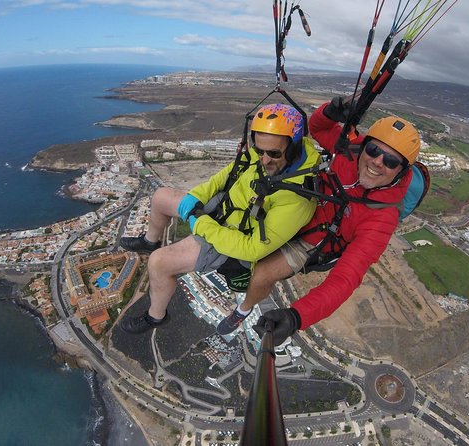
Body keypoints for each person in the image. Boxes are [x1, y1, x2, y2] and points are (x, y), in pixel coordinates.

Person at [216, 97, 421, 345]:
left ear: (402, 171)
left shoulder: (381, 218)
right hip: (296, 203)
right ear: (364, 146)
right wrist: (331, 111)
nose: (377, 162)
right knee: (231, 217)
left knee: (261, 274)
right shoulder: (350, 151)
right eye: (374, 150)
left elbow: (345, 279)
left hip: (313, 240)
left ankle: (243, 310)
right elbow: (318, 128)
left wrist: (296, 317)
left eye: (390, 161)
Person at [118, 103, 320, 334]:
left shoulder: (297, 198)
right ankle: (149, 240)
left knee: (159, 262)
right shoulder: (265, 155)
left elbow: (252, 249)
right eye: (259, 150)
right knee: (160, 197)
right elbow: (224, 177)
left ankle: (156, 316)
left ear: (293, 148)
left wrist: (201, 223)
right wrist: (194, 199)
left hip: (232, 239)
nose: (264, 160)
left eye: (273, 153)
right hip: (222, 210)